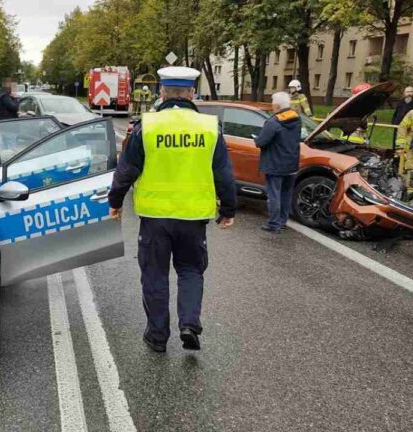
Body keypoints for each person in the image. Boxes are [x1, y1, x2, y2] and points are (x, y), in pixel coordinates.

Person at [107, 66, 237, 352]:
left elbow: (126, 171)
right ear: (192, 93)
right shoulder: (209, 128)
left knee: (155, 275)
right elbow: (224, 175)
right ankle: (189, 323)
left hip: (155, 218)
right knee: (191, 270)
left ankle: (157, 336)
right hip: (193, 218)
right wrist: (228, 209)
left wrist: (115, 203)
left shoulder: (148, 126)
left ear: (162, 92)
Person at [254, 92, 302, 233]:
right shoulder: (296, 118)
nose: (272, 105)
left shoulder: (273, 122)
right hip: (291, 162)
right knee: (286, 194)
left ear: (277, 105)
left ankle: (273, 224)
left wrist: (256, 139)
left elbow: (262, 142)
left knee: (274, 194)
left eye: (273, 103)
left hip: (275, 163)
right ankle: (282, 222)